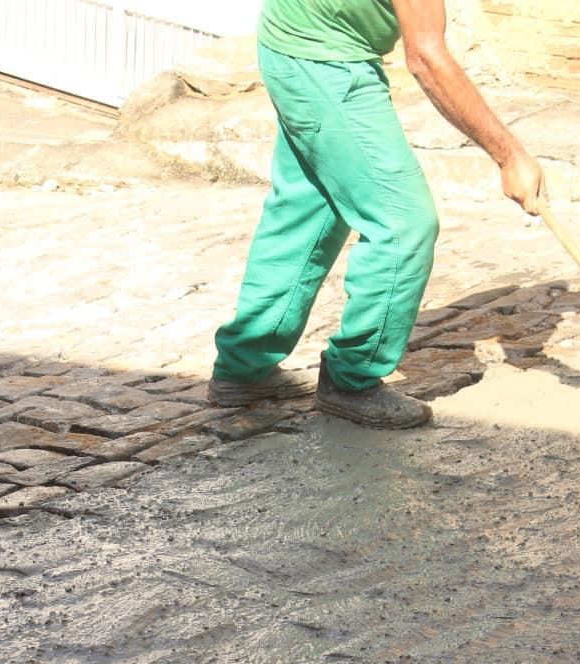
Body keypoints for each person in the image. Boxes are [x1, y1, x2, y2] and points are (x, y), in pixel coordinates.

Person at [209, 0, 546, 429]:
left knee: (311, 209)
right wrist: (509, 156)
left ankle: (244, 365)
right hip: (324, 60)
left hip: (293, 44)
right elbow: (424, 56)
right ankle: (352, 379)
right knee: (403, 223)